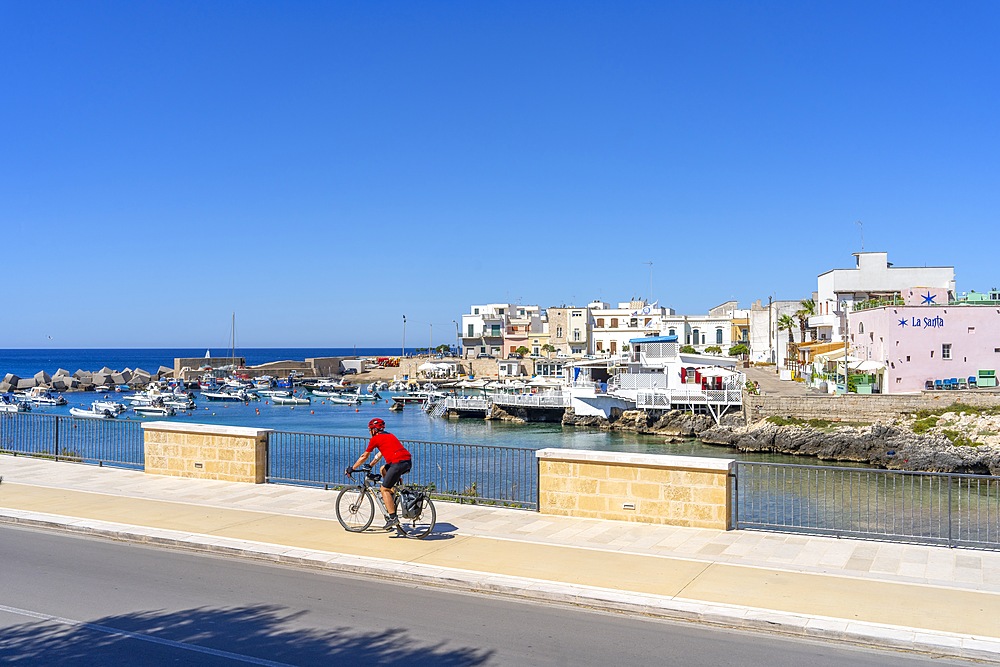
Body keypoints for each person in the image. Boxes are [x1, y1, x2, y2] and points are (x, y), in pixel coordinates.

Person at [346, 418, 412, 530]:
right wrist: (371, 465)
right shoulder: (389, 435)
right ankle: (392, 493)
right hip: (407, 462)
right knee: (383, 469)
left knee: (383, 489)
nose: (369, 432)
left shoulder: (375, 439)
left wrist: (352, 468)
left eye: (370, 430)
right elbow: (379, 455)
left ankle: (392, 518)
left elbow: (364, 456)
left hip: (397, 464)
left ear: (374, 430)